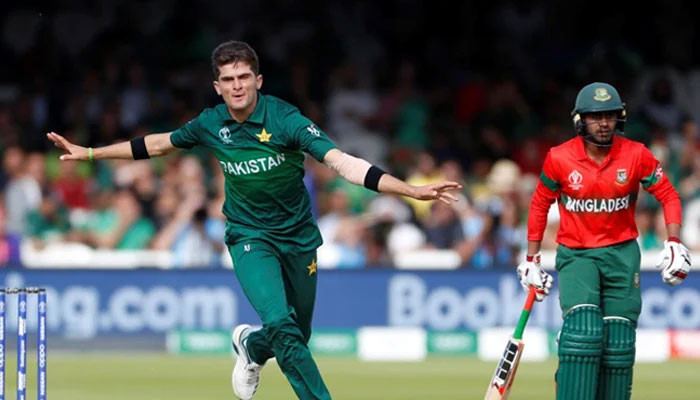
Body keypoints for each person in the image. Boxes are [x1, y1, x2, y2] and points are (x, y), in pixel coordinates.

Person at [46, 40, 461, 400]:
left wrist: (410, 190)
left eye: (244, 77)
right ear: (217, 87)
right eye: (228, 80)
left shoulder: (286, 120)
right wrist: (91, 153)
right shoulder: (211, 123)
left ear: (258, 80)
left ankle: (251, 346)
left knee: (296, 335)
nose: (237, 86)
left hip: (298, 238)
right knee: (282, 325)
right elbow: (157, 145)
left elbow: (343, 163)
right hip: (249, 237)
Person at [516, 82, 692, 400]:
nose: (603, 123)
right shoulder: (559, 158)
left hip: (623, 254)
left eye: (609, 115)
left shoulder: (636, 154)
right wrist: (532, 260)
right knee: (584, 332)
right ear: (580, 120)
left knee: (619, 343)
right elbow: (540, 204)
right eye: (595, 117)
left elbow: (668, 194)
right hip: (577, 254)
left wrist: (674, 241)